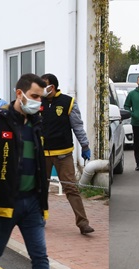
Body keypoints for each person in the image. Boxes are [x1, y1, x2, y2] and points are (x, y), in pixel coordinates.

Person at [0, 73, 50, 269]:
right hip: (6, 201)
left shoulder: (37, 124)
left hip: (32, 203)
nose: (38, 102)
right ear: (19, 93)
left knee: (40, 255)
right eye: (34, 96)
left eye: (40, 98)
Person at [40, 73, 95, 234]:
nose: (43, 88)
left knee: (71, 188)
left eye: (45, 85)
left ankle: (83, 223)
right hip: (42, 154)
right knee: (40, 188)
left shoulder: (68, 102)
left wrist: (85, 145)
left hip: (63, 154)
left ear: (53, 86)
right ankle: (39, 218)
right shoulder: (37, 102)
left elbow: (77, 126)